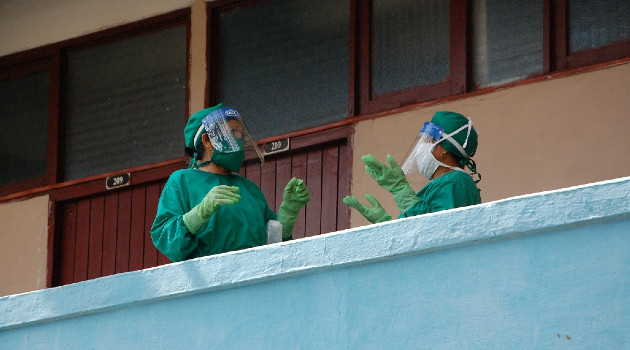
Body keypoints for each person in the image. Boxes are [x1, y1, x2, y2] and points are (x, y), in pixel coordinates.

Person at [151, 103, 310, 262]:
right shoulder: (181, 180)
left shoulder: (249, 189)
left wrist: (286, 217)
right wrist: (199, 213)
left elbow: (274, 250)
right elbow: (166, 239)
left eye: (241, 134)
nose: (239, 139)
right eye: (232, 132)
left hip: (255, 279)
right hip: (207, 281)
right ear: (207, 140)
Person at [343, 111, 481, 223]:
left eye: (429, 140)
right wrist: (384, 223)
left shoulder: (457, 181)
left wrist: (400, 189)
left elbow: (437, 228)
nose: (423, 145)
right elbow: (414, 235)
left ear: (443, 149)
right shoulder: (445, 183)